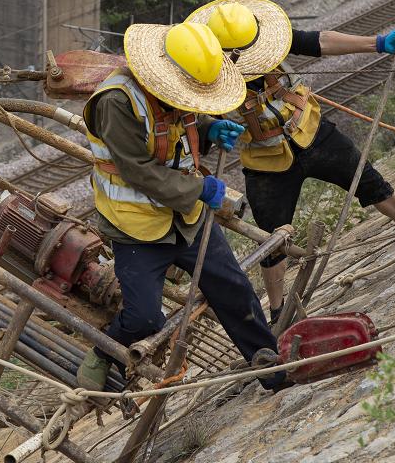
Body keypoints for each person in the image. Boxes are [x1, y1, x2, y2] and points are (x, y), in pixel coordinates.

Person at [75, 20, 287, 393]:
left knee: (233, 289)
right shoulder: (115, 103)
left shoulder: (179, 92)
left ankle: (272, 368)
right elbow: (138, 170)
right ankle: (104, 351)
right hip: (135, 224)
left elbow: (176, 128)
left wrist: (207, 131)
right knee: (142, 319)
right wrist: (201, 187)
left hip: (186, 218)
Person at [186, 0, 395, 323]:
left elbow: (319, 40)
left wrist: (377, 43)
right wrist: (210, 128)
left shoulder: (269, 39)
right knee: (271, 238)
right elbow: (191, 117)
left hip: (310, 131)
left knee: (367, 179)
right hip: (266, 161)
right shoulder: (206, 73)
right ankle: (279, 312)